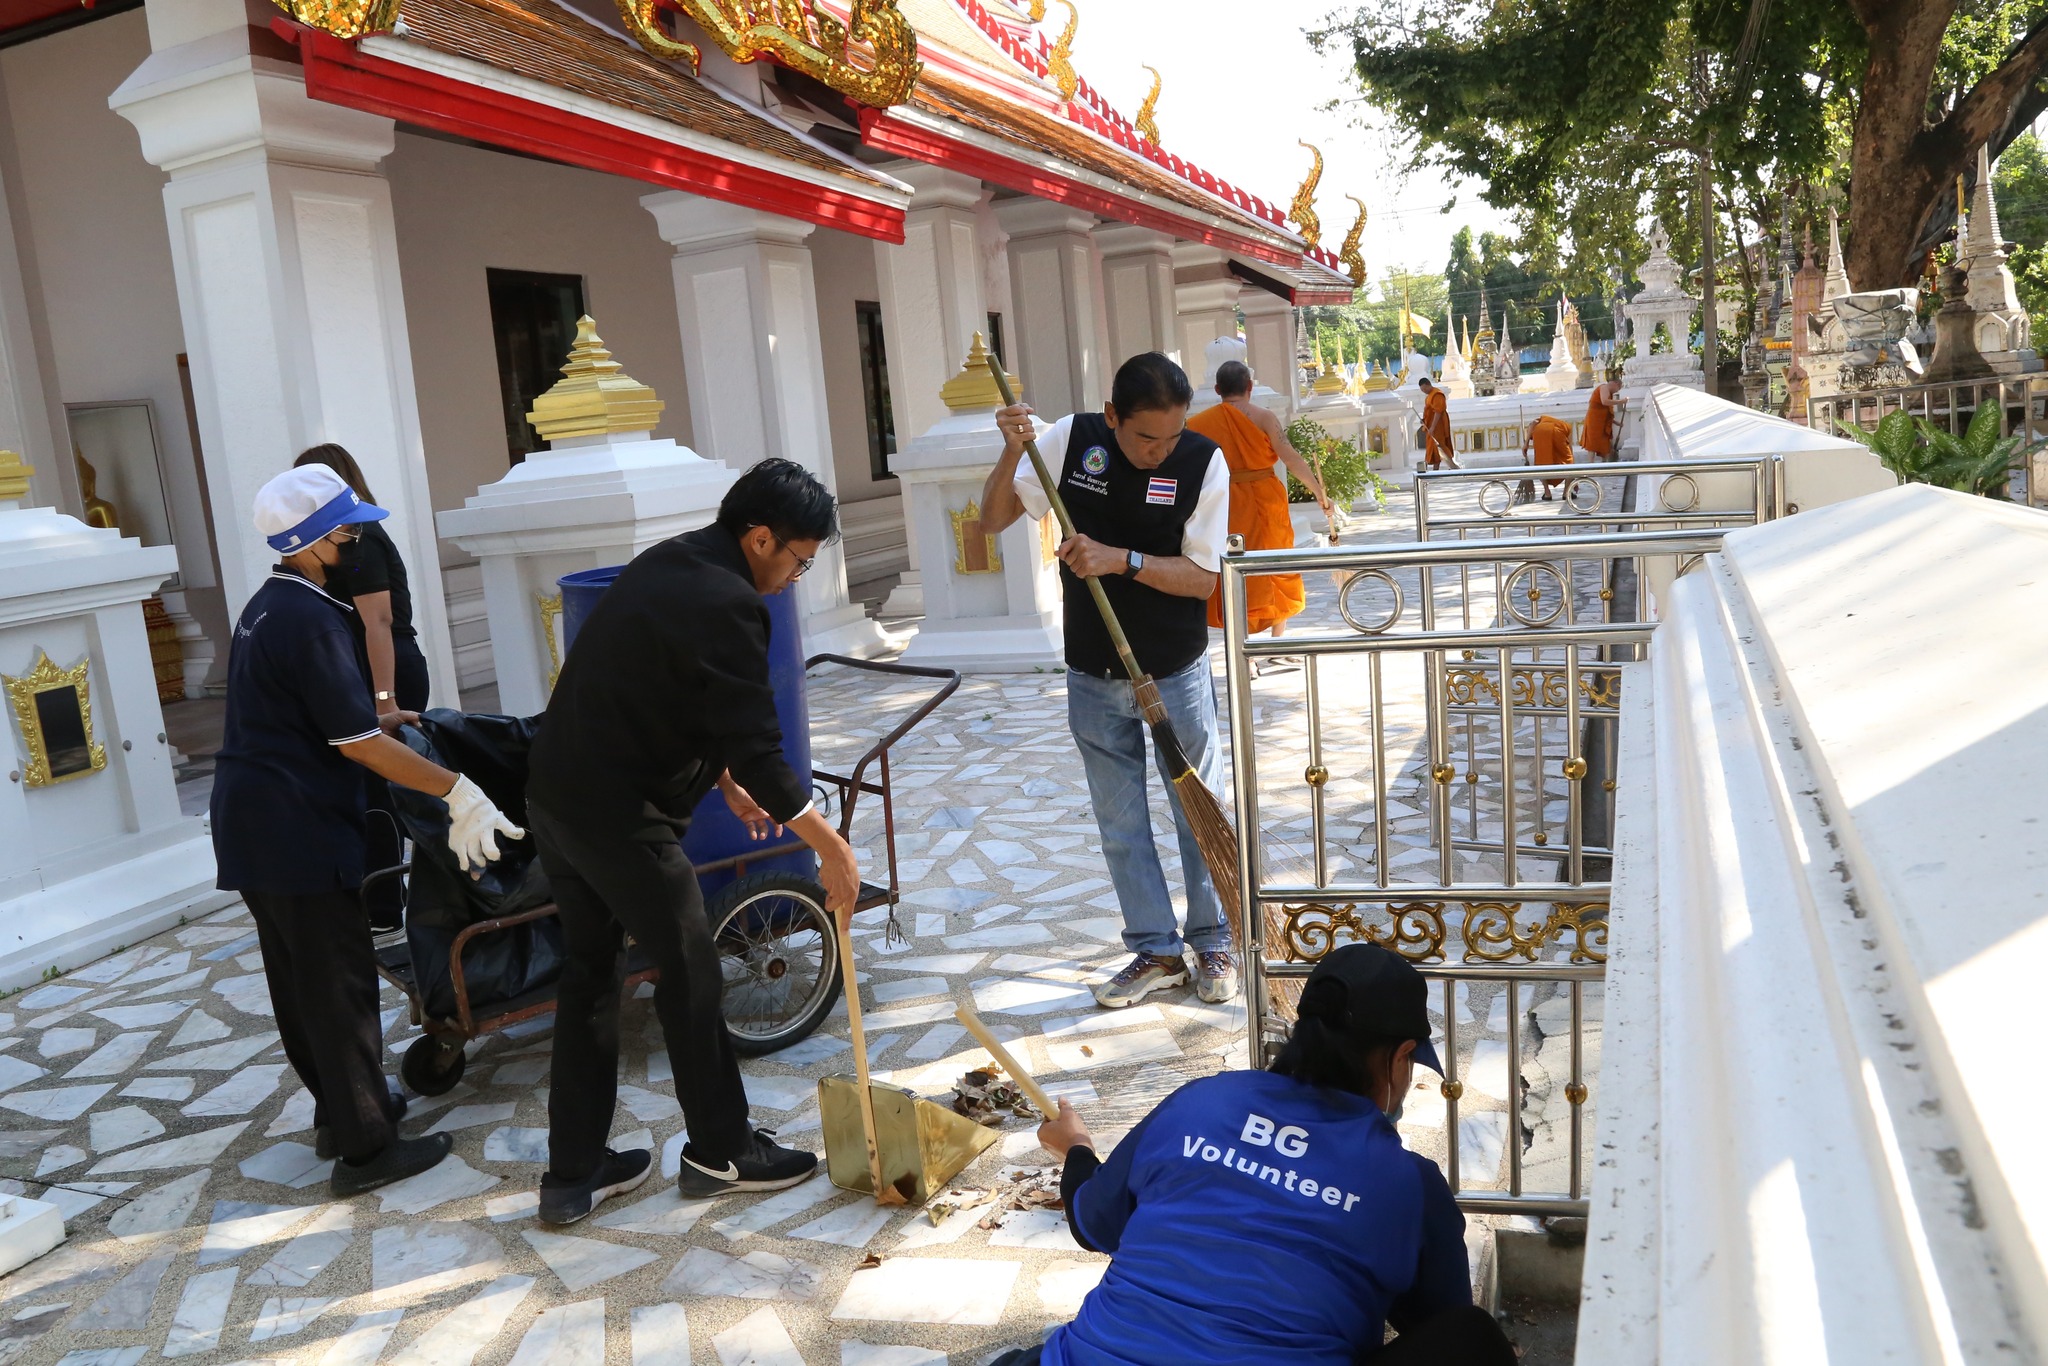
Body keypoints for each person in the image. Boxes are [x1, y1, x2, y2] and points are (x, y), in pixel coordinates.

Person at [525, 458, 862, 1225]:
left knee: (590, 973)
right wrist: (831, 846)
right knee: (692, 972)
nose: (796, 578)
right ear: (761, 537)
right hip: (621, 816)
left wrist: (723, 779)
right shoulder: (729, 602)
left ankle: (573, 1172)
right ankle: (723, 1150)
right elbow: (763, 748)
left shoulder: (669, 562)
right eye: (799, 561)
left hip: (557, 796)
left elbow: (665, 690)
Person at [212, 464, 525, 1195]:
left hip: (253, 823)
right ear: (309, 542)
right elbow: (355, 747)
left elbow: (323, 718)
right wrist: (455, 787)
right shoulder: (314, 618)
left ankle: (342, 1114)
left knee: (300, 982)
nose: (357, 541)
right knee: (338, 988)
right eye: (346, 532)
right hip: (295, 826)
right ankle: (367, 1150)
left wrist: (377, 717)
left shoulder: (269, 606)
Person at [998, 944, 1518, 1366]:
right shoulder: (1407, 1183)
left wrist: (1077, 1148)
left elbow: (1094, 1224)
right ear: (1400, 1056)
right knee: (1472, 1339)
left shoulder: (1200, 1103)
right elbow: (1436, 1322)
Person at [981, 353, 1237, 1009]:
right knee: (1121, 825)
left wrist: (1120, 560)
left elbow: (1203, 579)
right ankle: (1156, 951)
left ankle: (1213, 940)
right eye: (1146, 437)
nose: (1160, 451)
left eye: (1172, 435)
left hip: (1173, 671)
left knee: (1197, 813)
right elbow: (992, 519)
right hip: (1093, 672)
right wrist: (1012, 449)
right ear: (1112, 416)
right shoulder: (1072, 440)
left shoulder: (1202, 462)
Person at [293, 444, 428, 929]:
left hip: (387, 669)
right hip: (364, 668)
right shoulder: (337, 538)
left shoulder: (358, 536)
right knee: (370, 789)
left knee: (380, 789)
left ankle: (386, 907)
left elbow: (379, 622)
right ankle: (386, 897)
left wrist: (383, 700)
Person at [1191, 360, 1332, 669]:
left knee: (1236, 570)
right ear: (1250, 387)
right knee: (1275, 564)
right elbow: (1291, 458)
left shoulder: (1199, 423)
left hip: (1225, 503)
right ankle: (1276, 643)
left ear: (1217, 389)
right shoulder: (1264, 417)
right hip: (1266, 501)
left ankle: (1246, 653)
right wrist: (1319, 492)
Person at [1520, 413, 1574, 501]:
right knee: (1569, 463)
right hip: (1558, 433)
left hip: (1540, 432)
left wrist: (1526, 444)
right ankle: (1566, 492)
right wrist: (1572, 463)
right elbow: (1570, 447)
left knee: (1541, 463)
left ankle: (1547, 492)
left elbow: (1533, 423)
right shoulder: (1566, 426)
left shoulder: (1540, 421)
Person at [1418, 378, 1457, 470]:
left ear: (1428, 384)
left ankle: (1453, 465)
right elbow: (1429, 412)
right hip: (1430, 425)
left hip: (1438, 425)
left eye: (1424, 389)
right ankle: (1435, 470)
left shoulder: (1437, 394)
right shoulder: (1429, 397)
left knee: (1440, 446)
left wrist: (1433, 427)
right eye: (1422, 390)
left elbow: (1438, 412)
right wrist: (1424, 420)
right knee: (1434, 448)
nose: (1424, 391)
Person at [1581, 379, 1625, 461]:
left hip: (1603, 423)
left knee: (1605, 445)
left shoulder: (1609, 393)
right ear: (1615, 384)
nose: (1617, 391)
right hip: (1594, 421)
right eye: (1618, 388)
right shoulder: (1604, 387)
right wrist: (1620, 401)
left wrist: (1616, 423)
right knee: (1592, 445)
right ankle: (1590, 465)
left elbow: (1606, 413)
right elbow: (1604, 401)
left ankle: (1604, 464)